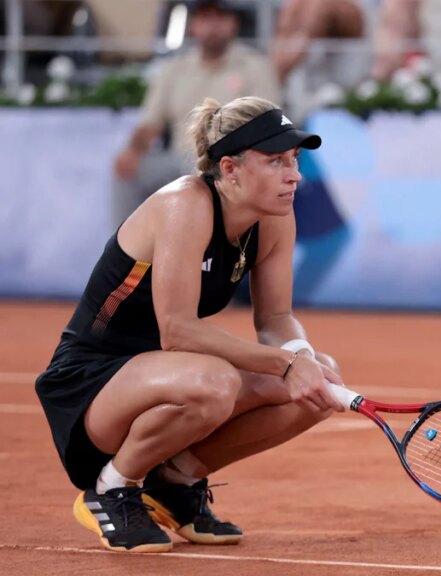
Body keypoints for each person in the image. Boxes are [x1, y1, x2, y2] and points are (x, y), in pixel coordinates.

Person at [36, 95, 347, 553]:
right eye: (277, 160)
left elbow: (277, 318)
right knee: (216, 381)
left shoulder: (274, 216)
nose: (295, 174)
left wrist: (300, 360)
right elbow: (178, 332)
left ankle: (174, 484)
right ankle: (112, 488)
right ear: (230, 168)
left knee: (315, 383)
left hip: (162, 377)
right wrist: (282, 365)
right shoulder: (185, 205)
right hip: (91, 385)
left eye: (295, 160)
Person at [112, 0, 281, 226]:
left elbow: (268, 122)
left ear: (234, 24)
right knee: (127, 173)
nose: (212, 26)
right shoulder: (174, 68)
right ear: (193, 25)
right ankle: (129, 256)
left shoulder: (255, 66)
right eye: (205, 18)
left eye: (219, 17)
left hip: (231, 161)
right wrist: (133, 151)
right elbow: (150, 124)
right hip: (178, 159)